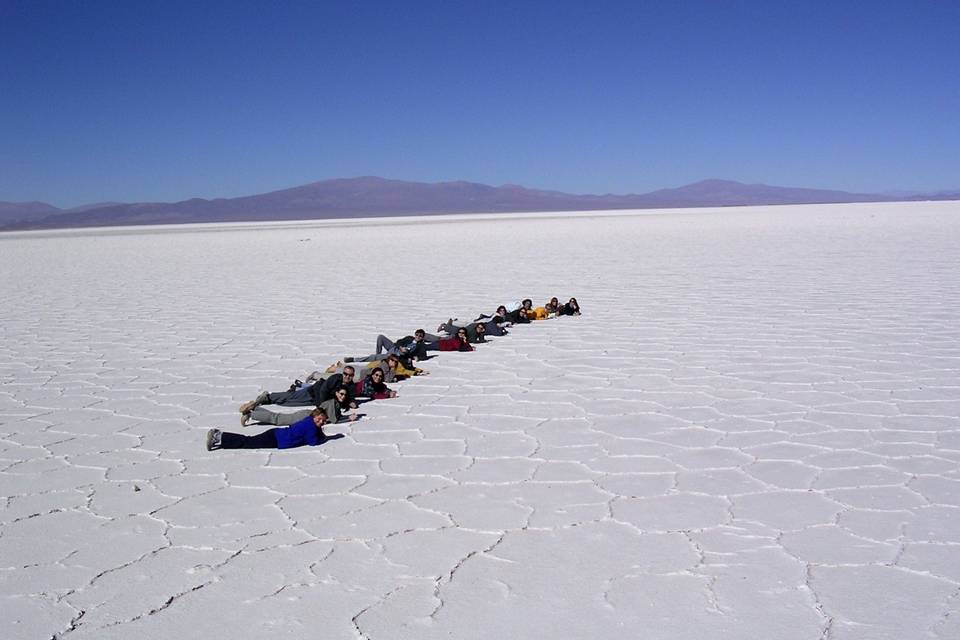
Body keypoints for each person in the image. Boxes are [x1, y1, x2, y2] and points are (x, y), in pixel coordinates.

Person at [238, 366, 359, 419]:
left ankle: (268, 402)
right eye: (346, 374)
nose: (347, 377)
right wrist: (322, 407)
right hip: (313, 392)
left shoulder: (351, 386)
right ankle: (267, 397)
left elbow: (351, 397)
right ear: (343, 373)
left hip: (315, 401)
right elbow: (323, 390)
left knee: (290, 403)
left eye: (350, 375)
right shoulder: (335, 378)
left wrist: (352, 402)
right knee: (291, 396)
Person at [207, 407, 336, 451]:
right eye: (319, 419)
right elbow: (313, 441)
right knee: (248, 442)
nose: (321, 422)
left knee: (249, 442)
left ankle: (220, 438)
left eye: (323, 421)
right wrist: (324, 438)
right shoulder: (310, 426)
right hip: (276, 439)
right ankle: (218, 436)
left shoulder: (309, 422)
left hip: (276, 436)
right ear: (314, 416)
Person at [243, 386, 359, 426]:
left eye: (345, 395)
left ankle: (256, 409)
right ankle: (251, 414)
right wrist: (348, 418)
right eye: (341, 394)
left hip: (308, 415)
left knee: (278, 417)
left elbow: (334, 417)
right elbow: (334, 420)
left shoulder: (336, 403)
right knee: (277, 419)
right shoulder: (333, 402)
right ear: (336, 393)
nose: (343, 396)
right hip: (306, 417)